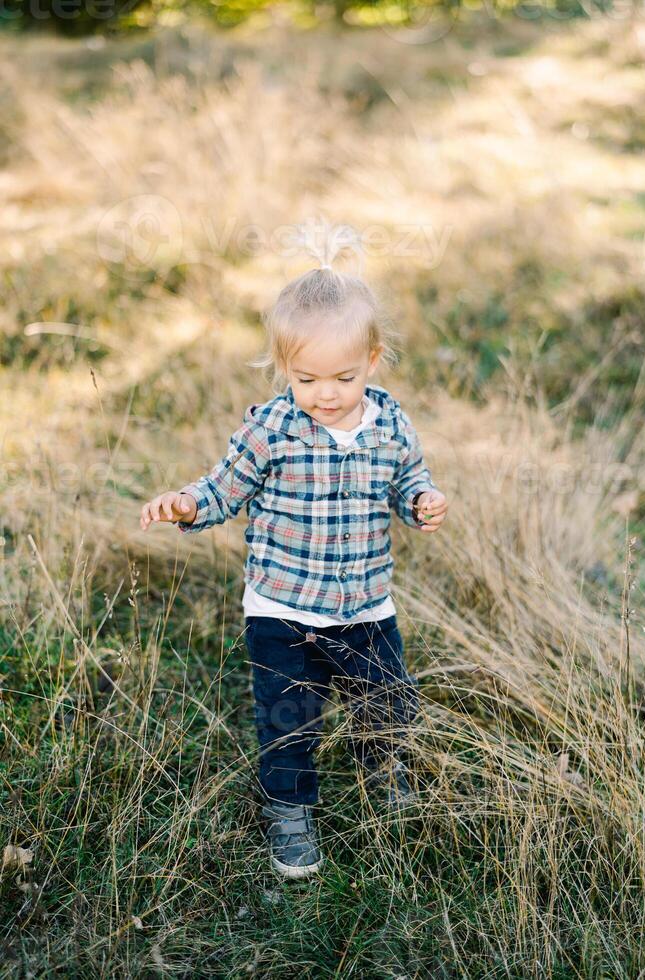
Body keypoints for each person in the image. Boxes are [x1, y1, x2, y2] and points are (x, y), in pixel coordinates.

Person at [139, 221, 448, 880]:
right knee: (289, 719)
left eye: (341, 376)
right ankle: (290, 810)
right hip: (282, 609)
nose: (326, 395)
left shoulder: (390, 420)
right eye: (307, 379)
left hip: (365, 606)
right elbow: (225, 489)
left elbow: (406, 479)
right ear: (285, 368)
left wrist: (422, 502)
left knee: (387, 702)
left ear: (372, 359)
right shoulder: (271, 428)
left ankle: (382, 767)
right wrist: (188, 505)